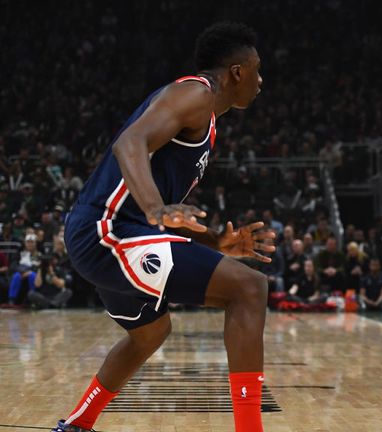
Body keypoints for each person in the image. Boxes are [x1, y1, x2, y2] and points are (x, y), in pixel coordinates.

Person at [52, 23, 274, 432]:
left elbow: (161, 212)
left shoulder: (206, 120)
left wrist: (214, 242)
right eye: (257, 69)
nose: (262, 80)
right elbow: (128, 143)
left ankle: (78, 425)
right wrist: (158, 210)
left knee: (151, 332)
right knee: (249, 288)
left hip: (117, 233)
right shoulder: (196, 93)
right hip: (107, 231)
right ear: (237, 71)